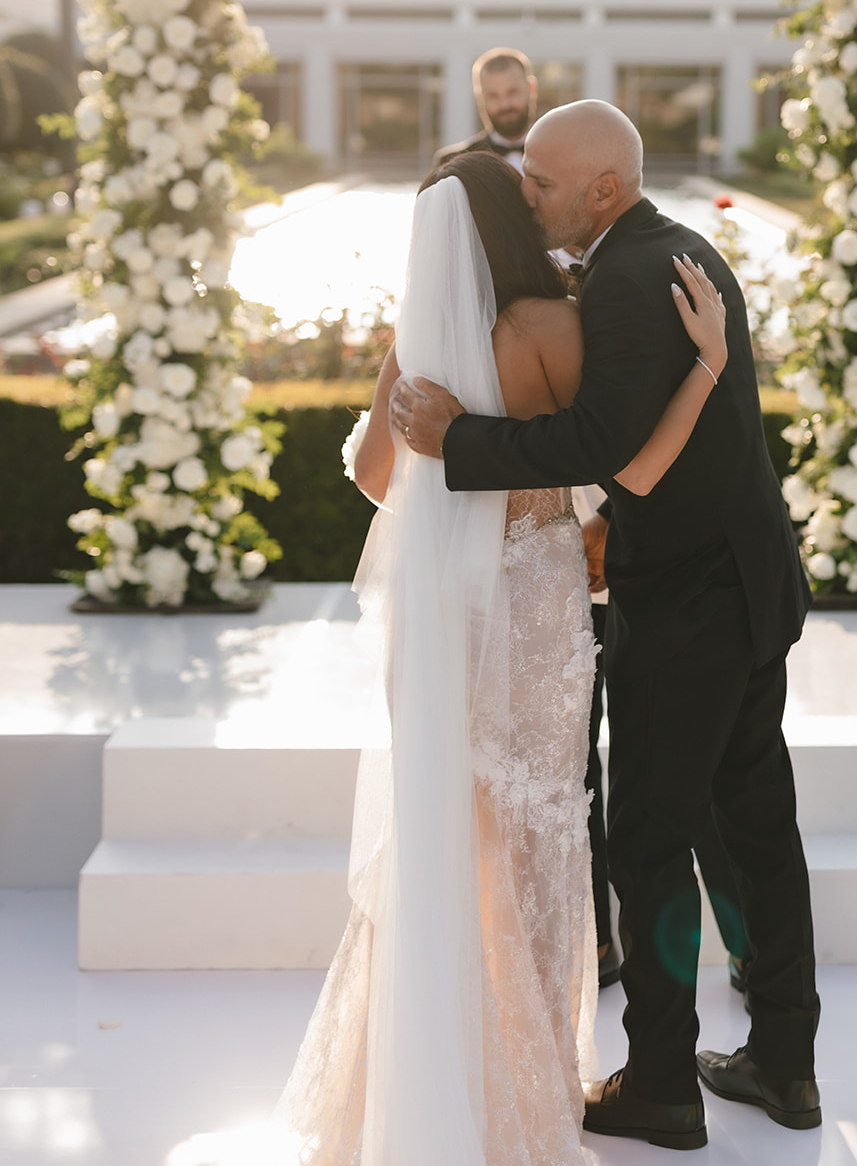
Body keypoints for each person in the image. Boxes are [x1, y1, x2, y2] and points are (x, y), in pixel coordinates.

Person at [272, 149, 728, 1166]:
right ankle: (525, 1090)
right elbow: (621, 462)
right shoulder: (548, 325)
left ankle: (427, 1080)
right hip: (532, 602)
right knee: (541, 828)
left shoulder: (420, 341)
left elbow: (369, 475)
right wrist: (696, 380)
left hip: (440, 617)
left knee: (450, 836)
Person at [393, 100, 821, 1150]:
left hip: (686, 606)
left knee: (646, 836)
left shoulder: (630, 278)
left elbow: (608, 444)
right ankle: (782, 1060)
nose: (524, 190)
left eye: (540, 177)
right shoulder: (675, 250)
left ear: (603, 188)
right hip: (741, 586)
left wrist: (461, 440)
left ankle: (665, 1083)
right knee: (751, 822)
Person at [434, 47, 537, 170]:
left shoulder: (561, 150)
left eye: (512, 92)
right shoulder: (452, 162)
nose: (504, 105)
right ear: (480, 98)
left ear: (531, 88)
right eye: (493, 96)